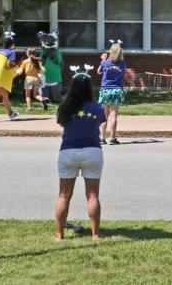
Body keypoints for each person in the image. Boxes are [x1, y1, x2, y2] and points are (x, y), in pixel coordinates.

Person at [54, 72, 105, 241]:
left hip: (68, 151)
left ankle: (59, 235)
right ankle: (96, 234)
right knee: (92, 195)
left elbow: (61, 122)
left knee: (64, 196)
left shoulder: (65, 108)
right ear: (89, 88)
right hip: (92, 151)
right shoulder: (98, 108)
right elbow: (99, 122)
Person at [97, 42, 128, 145]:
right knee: (114, 115)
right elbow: (123, 74)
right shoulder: (123, 64)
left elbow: (98, 72)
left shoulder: (105, 63)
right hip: (117, 90)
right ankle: (113, 139)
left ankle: (102, 138)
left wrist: (103, 60)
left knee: (104, 115)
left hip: (105, 90)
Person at [39, 31, 65, 103]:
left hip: (55, 77)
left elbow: (58, 61)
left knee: (56, 97)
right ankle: (46, 99)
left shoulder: (57, 53)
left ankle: (56, 99)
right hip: (44, 76)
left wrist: (50, 55)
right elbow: (40, 63)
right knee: (45, 95)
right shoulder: (42, 53)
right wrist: (44, 55)